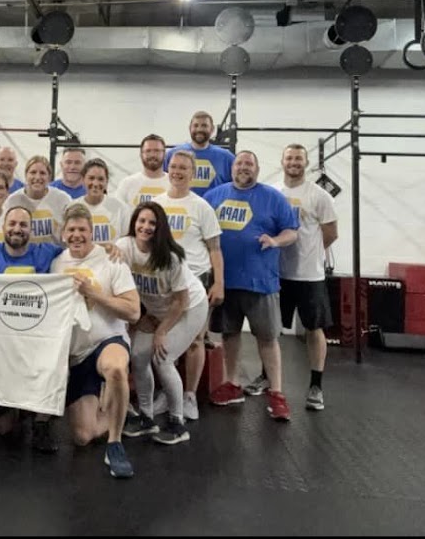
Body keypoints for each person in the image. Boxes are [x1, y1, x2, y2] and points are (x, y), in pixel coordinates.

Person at [204, 151, 299, 422]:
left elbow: (292, 231)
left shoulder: (273, 197)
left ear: (257, 169)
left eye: (249, 164)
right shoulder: (214, 196)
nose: (243, 167)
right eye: (239, 163)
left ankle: (276, 393)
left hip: (261, 282)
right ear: (232, 167)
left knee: (267, 338)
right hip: (226, 281)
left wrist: (276, 241)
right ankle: (233, 384)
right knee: (229, 334)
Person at [243, 144, 338, 411]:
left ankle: (316, 386)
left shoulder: (319, 196)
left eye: (298, 158)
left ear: (306, 163)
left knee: (313, 329)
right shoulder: (273, 192)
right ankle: (266, 377)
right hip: (277, 274)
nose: (294, 162)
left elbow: (331, 233)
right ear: (282, 161)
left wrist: (311, 254)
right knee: (270, 330)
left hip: (309, 276)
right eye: (289, 158)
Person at [51, 204, 141, 479]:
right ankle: (118, 408)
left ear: (92, 232)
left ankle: (115, 443)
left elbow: (133, 312)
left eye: (82, 229)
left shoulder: (111, 260)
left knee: (115, 369)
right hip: (77, 353)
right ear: (63, 233)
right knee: (83, 436)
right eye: (71, 230)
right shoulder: (57, 264)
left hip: (107, 340)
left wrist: (94, 293)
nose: (77, 235)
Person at [0, 206, 65, 452]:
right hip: (1, 344)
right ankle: (20, 409)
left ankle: (42, 421)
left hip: (37, 340)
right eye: (12, 224)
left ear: (32, 230)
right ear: (3, 227)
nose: (17, 229)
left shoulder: (48, 252)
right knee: (4, 430)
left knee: (52, 357)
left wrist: (109, 249)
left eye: (23, 225)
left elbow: (82, 253)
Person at [118, 202, 208, 445]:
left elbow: (181, 300)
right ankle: (146, 417)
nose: (145, 227)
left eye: (152, 223)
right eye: (142, 221)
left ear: (160, 228)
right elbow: (105, 257)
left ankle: (177, 423)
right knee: (138, 356)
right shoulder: (125, 246)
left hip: (189, 308)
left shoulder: (170, 257)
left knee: (163, 358)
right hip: (158, 309)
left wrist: (162, 330)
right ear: (134, 223)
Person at [152, 150, 224, 421]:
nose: (178, 171)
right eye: (174, 166)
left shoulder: (201, 206)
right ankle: (166, 392)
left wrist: (219, 283)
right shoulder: (156, 204)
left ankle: (190, 396)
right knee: (164, 337)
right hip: (165, 282)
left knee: (195, 340)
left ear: (192, 173)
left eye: (184, 168)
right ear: (168, 169)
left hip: (197, 279)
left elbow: (215, 248)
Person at [5, 156, 72, 245]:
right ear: (26, 175)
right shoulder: (13, 201)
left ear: (49, 177)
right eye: (33, 172)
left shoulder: (62, 199)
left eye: (42, 173)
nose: (37, 177)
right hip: (23, 252)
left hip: (55, 252)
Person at [164, 111, 235, 195]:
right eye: (196, 125)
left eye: (204, 126)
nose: (199, 129)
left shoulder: (226, 158)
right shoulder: (173, 155)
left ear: (212, 129)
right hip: (180, 203)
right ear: (190, 128)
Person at [79, 158, 129, 247]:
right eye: (91, 178)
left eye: (100, 179)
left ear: (107, 182)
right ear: (83, 180)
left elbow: (126, 243)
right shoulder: (73, 207)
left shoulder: (121, 208)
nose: (95, 183)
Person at [114, 134, 168, 208]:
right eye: (148, 151)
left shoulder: (174, 184)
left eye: (157, 151)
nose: (152, 155)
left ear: (164, 154)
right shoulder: (127, 184)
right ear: (141, 154)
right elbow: (117, 211)